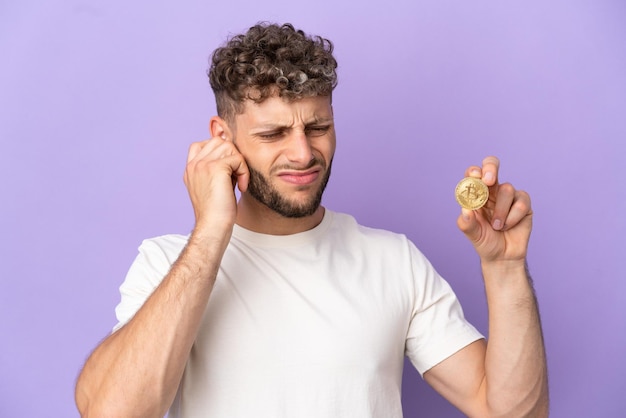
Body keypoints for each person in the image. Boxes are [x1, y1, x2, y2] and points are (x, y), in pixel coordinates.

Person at [75, 22, 548, 418]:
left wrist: (505, 270)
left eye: (318, 127)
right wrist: (212, 231)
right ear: (223, 136)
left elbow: (511, 412)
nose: (303, 154)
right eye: (274, 132)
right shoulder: (166, 264)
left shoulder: (392, 260)